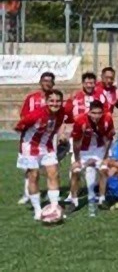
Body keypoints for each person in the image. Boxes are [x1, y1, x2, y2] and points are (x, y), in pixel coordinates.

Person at [15, 89, 65, 220]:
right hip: (30, 146)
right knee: (34, 176)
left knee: (53, 173)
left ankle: (54, 207)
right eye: (52, 101)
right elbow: (19, 127)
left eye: (58, 101)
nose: (55, 103)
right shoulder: (35, 115)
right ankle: (37, 210)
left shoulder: (61, 113)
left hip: (46, 145)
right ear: (46, 101)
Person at [68, 100, 115, 211]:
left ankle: (102, 200)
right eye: (94, 113)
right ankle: (74, 201)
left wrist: (105, 157)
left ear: (102, 112)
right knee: (75, 171)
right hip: (83, 150)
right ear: (89, 112)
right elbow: (76, 142)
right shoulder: (80, 121)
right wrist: (77, 159)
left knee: (104, 170)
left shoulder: (108, 119)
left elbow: (108, 139)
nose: (97, 116)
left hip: (99, 149)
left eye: (99, 113)